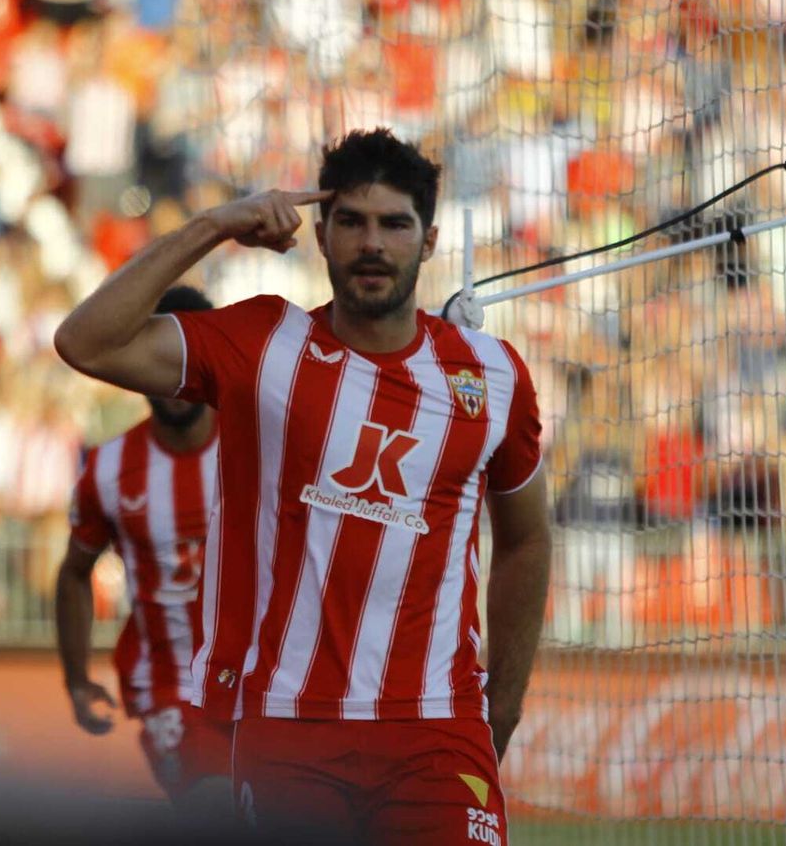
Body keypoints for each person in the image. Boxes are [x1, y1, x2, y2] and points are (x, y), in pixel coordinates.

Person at [55, 129, 551, 844]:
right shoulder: (263, 344)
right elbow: (85, 341)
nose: (371, 243)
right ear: (320, 234)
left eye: (393, 223)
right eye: (350, 221)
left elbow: (527, 538)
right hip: (287, 727)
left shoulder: (492, 375)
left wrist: (498, 710)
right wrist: (215, 225)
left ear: (431, 238)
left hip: (438, 730)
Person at [53, 285, 233, 813]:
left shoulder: (261, 443)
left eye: (185, 359)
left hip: (265, 682)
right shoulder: (108, 470)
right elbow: (73, 572)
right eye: (159, 359)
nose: (173, 381)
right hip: (167, 686)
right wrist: (76, 680)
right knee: (217, 810)